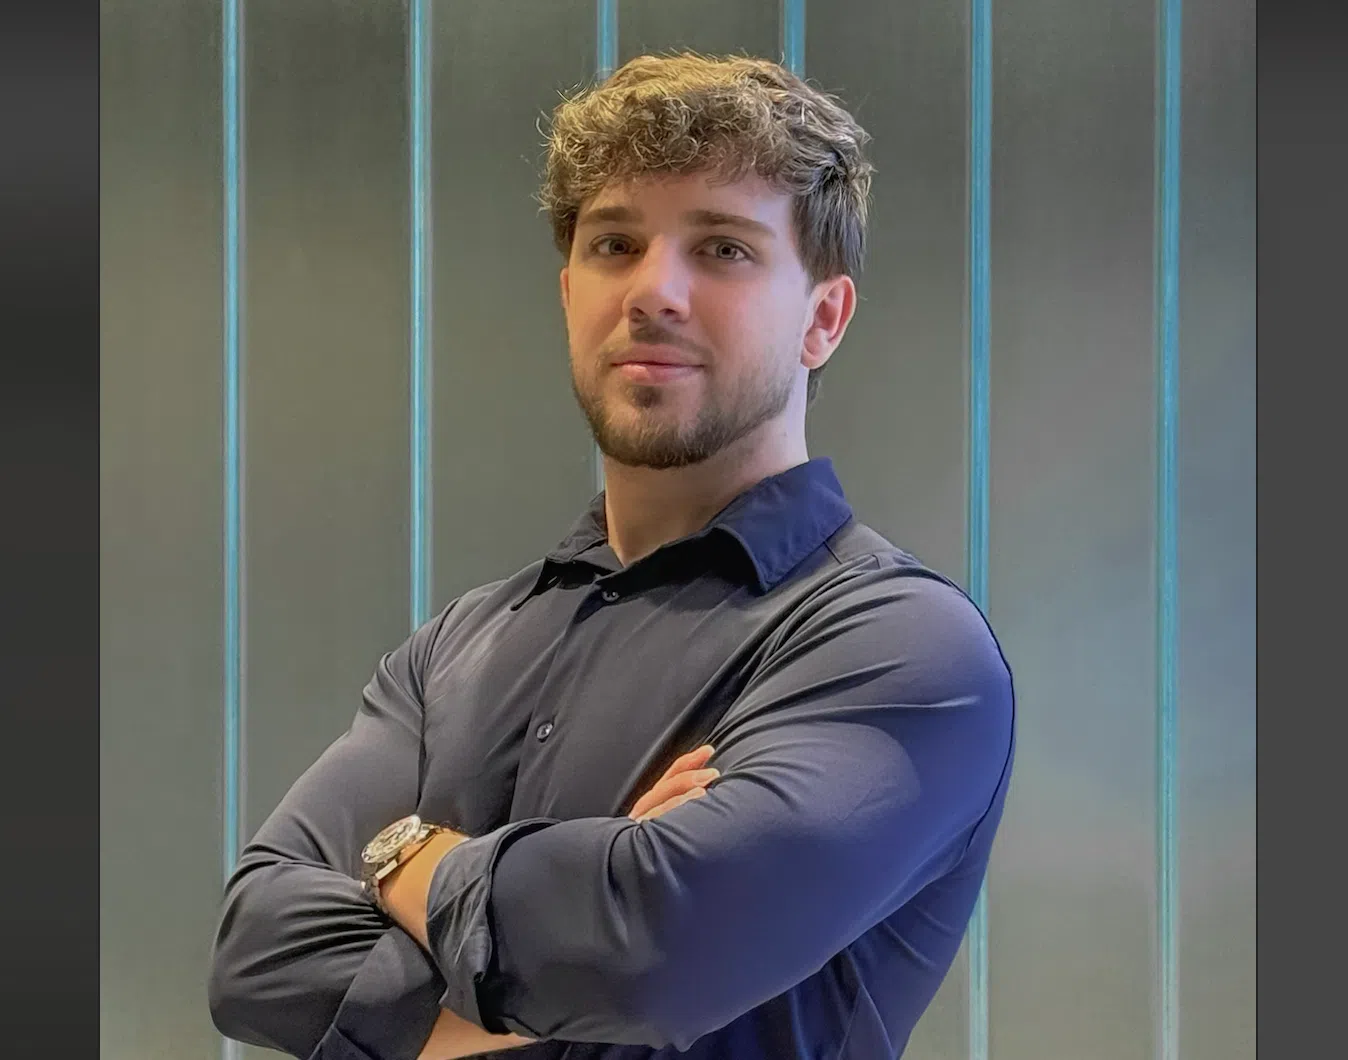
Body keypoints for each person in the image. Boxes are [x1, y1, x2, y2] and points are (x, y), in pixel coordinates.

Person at [208, 51, 1015, 1060]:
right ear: (568, 292)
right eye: (616, 244)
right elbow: (255, 952)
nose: (653, 290)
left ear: (822, 318)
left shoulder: (900, 647)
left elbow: (653, 957)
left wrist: (402, 856)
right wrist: (587, 888)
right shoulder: (456, 650)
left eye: (722, 249)